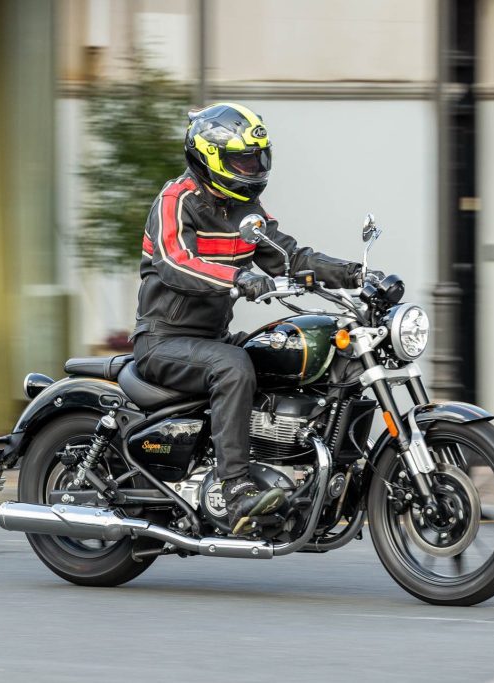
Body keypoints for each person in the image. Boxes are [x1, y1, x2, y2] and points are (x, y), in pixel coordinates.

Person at [130, 103, 370, 535]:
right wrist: (239, 278)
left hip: (211, 338)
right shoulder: (175, 200)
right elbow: (174, 263)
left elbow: (292, 257)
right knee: (233, 367)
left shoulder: (247, 210)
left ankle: (302, 473)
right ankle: (236, 487)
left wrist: (358, 275)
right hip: (162, 340)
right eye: (242, 158)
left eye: (257, 157)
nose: (253, 167)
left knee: (286, 353)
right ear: (210, 156)